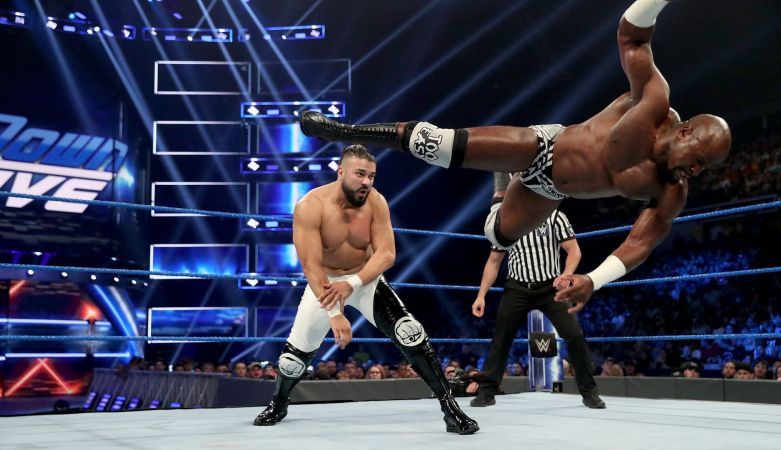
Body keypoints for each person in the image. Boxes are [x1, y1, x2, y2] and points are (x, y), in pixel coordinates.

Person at [299, 0, 732, 314]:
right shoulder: (654, 100)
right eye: (699, 157)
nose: (695, 170)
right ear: (687, 130)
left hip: (549, 190)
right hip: (545, 144)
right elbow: (631, 35)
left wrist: (592, 280)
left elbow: (640, 242)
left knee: (499, 238)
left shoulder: (670, 189)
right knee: (444, 145)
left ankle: (499, 189)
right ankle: (347, 131)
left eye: (702, 169)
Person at [253, 145, 478, 435]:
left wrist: (353, 284)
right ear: (341, 172)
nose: (367, 182)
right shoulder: (310, 206)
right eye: (360, 174)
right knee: (293, 360)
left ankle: (451, 409)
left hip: (364, 279)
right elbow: (311, 265)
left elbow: (386, 255)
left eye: (371, 176)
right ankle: (279, 403)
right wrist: (334, 313)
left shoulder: (376, 202)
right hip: (325, 282)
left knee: (411, 333)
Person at [470, 173, 605, 409]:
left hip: (549, 287)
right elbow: (494, 261)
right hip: (517, 287)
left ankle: (589, 392)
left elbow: (574, 251)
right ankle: (487, 391)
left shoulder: (555, 217)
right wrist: (481, 295)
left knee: (573, 334)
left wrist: (566, 274)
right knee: (501, 337)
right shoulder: (507, 222)